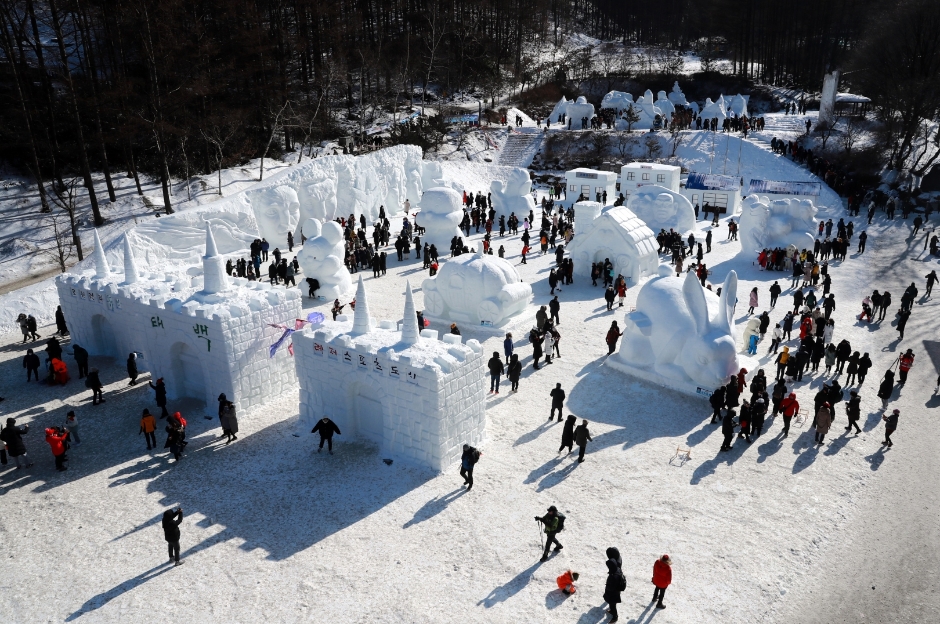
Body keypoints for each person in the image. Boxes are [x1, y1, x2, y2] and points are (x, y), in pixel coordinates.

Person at [603, 551, 624, 622]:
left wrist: (607, 587)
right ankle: (612, 611)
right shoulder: (617, 569)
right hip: (615, 592)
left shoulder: (614, 575)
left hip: (613, 594)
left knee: (613, 605)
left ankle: (615, 617)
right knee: (611, 604)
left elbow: (611, 587)